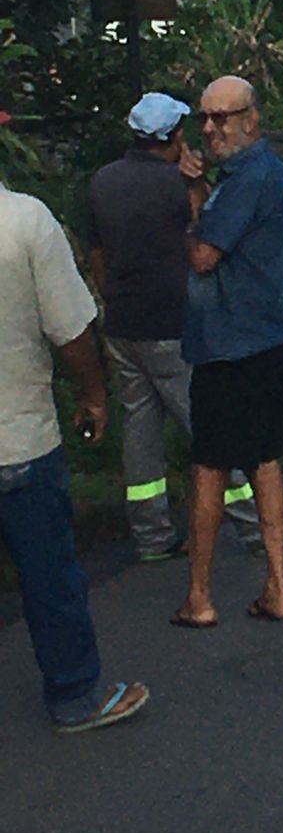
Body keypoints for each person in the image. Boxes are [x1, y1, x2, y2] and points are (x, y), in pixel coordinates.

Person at [85, 92, 283, 563]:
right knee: (213, 434)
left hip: (121, 325)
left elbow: (96, 252)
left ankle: (152, 534)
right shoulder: (178, 184)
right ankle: (258, 530)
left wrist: (111, 297)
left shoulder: (102, 182)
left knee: (140, 433)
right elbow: (210, 239)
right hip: (174, 324)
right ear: (174, 135)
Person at [0, 179, 149, 731]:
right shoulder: (24, 221)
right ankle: (74, 696)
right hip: (18, 441)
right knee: (49, 578)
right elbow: (70, 331)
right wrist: (93, 394)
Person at [172, 77, 283, 629]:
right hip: (272, 338)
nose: (209, 129)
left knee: (209, 466)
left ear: (251, 118)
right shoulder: (253, 175)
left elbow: (205, 254)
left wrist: (188, 213)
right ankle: (278, 587)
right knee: (265, 460)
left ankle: (199, 596)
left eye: (221, 118)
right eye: (204, 119)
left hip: (234, 345)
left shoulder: (250, 178)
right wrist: (203, 192)